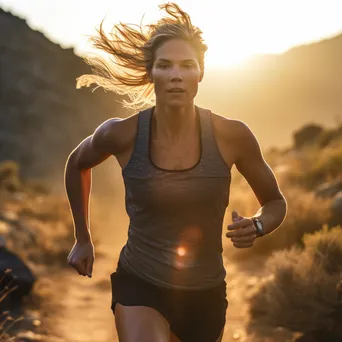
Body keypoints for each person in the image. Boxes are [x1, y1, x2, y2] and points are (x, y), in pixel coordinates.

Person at [65, 3, 287, 342]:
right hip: (140, 282)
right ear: (151, 72)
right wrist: (82, 237)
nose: (176, 75)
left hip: (205, 292)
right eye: (164, 65)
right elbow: (77, 163)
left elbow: (274, 202)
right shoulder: (121, 134)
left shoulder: (232, 135)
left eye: (187, 66)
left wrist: (257, 226)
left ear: (201, 73)